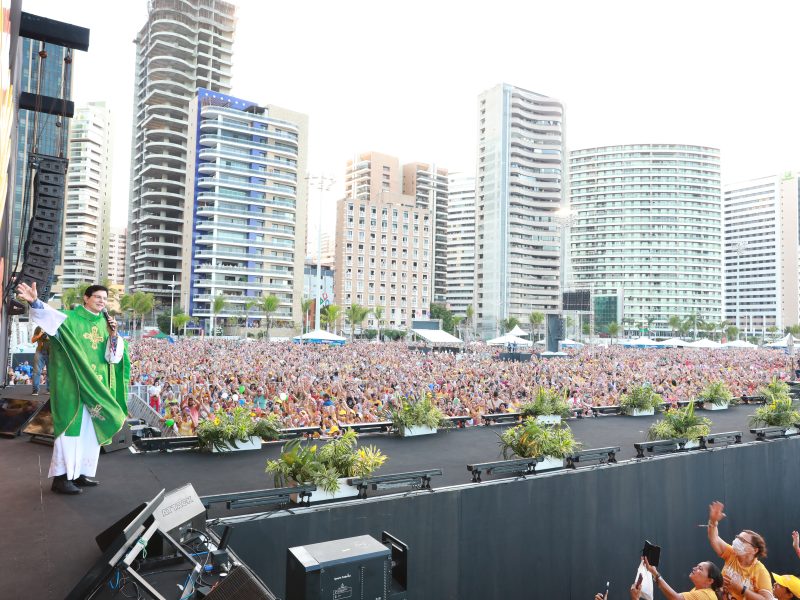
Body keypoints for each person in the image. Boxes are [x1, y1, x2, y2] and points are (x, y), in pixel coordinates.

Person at [16, 281, 130, 495]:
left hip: (96, 387)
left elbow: (113, 358)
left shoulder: (106, 324)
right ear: (86, 298)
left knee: (90, 431)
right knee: (71, 430)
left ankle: (79, 473)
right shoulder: (70, 318)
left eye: (105, 299)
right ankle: (61, 478)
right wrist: (35, 302)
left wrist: (113, 335)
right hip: (73, 385)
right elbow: (49, 318)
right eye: (97, 297)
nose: (102, 301)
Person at [706, 501, 772, 599]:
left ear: (754, 550)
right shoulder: (732, 553)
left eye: (742, 540)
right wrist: (713, 522)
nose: (737, 541)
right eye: (738, 537)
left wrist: (741, 589)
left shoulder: (760, 571)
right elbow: (714, 538)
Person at [641, 556, 723, 599]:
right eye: (697, 566)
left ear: (710, 580)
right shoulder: (696, 590)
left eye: (700, 568)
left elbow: (675, 598)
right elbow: (674, 596)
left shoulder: (706, 595)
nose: (694, 568)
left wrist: (655, 573)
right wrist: (654, 573)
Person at [31, 325, 49, 395]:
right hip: (39, 351)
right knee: (36, 371)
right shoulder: (39, 327)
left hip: (51, 352)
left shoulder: (53, 327)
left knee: (50, 372)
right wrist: (40, 335)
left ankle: (50, 389)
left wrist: (48, 338)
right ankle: (35, 390)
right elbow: (33, 340)